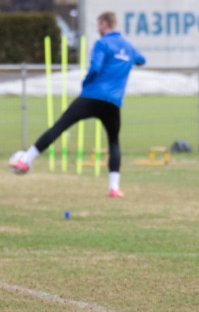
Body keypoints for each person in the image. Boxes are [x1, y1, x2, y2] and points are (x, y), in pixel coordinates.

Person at [9, 11, 145, 197]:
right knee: (113, 141)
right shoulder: (128, 47)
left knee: (60, 126)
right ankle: (114, 188)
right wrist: (126, 60)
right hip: (113, 102)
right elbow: (141, 60)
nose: (97, 29)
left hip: (92, 95)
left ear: (105, 24)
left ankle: (26, 160)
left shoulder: (102, 43)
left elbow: (95, 68)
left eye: (98, 25)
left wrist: (86, 81)